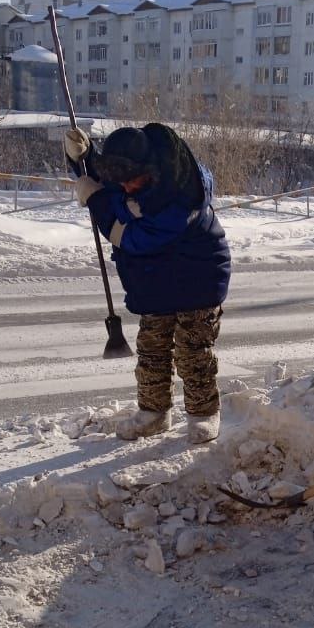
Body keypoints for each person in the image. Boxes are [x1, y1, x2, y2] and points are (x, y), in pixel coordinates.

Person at [64, 123, 231, 442]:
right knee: (152, 347)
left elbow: (132, 238)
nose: (125, 188)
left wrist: (97, 202)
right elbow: (107, 184)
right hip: (157, 279)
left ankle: (203, 413)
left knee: (191, 348)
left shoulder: (180, 197)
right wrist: (83, 158)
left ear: (152, 171)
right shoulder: (138, 179)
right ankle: (154, 413)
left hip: (199, 276)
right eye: (120, 181)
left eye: (131, 181)